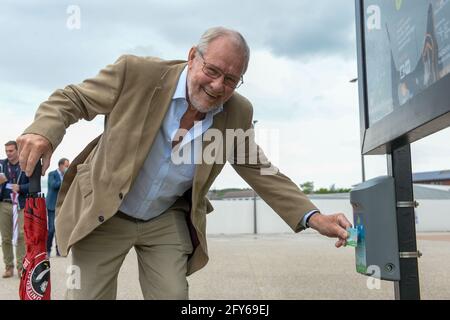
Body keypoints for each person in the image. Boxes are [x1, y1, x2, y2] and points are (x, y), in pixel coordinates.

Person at [16, 27, 352, 299]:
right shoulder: (137, 74)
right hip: (107, 210)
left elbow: (259, 169)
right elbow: (72, 98)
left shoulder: (238, 112)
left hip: (165, 217)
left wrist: (313, 216)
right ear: (193, 57)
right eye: (212, 70)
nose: (219, 86)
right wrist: (43, 131)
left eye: (232, 80)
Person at [0, 141, 29, 278]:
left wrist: (21, 188)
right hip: (4, 204)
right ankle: (8, 267)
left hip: (20, 204)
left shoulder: (25, 165)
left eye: (11, 151)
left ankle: (20, 267)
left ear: (18, 150)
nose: (8, 153)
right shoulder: (1, 164)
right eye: (6, 151)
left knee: (22, 236)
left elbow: (34, 185)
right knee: (6, 238)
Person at [46, 158, 70, 257]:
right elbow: (53, 185)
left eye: (68, 166)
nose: (67, 168)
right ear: (60, 165)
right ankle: (47, 250)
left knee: (60, 229)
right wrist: (64, 178)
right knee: (51, 229)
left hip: (63, 205)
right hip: (52, 205)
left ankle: (59, 250)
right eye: (66, 166)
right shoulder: (52, 174)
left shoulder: (68, 176)